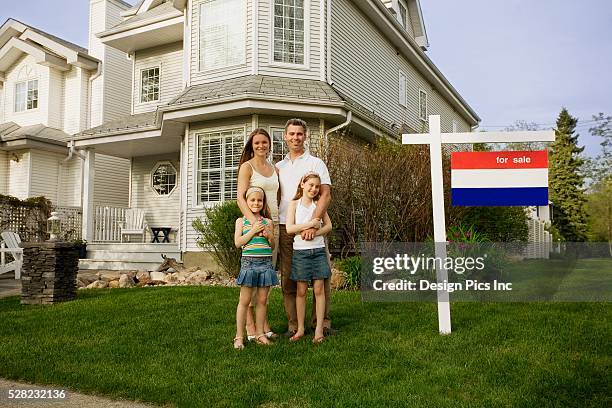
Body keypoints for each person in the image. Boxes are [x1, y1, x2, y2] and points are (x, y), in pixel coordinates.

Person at [276, 118, 335, 337]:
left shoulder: (316, 163)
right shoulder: (279, 167)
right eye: (291, 134)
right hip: (287, 227)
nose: (295, 138)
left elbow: (326, 194)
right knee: (290, 279)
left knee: (321, 280)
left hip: (315, 227)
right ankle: (294, 325)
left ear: (305, 136)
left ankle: (322, 324)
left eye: (299, 134)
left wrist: (315, 222)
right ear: (285, 136)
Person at [236, 128, 279, 341]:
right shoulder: (247, 167)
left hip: (273, 225)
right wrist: (255, 224)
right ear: (251, 146)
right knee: (251, 281)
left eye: (264, 142)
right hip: (255, 226)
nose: (261, 146)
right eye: (257, 143)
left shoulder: (274, 169)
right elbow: (241, 198)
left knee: (266, 278)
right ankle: (250, 326)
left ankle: (263, 325)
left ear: (269, 144)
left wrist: (269, 227)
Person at [286, 173, 332, 343]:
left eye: (317, 186)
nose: (314, 189)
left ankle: (319, 329)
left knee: (319, 290)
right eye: (311, 185)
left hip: (318, 251)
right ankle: (300, 329)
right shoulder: (294, 204)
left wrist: (314, 232)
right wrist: (309, 225)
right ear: (302, 184)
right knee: (301, 291)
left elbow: (329, 226)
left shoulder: (318, 205)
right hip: (301, 253)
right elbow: (290, 228)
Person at [233, 186, 277, 349]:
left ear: (263, 202)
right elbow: (238, 243)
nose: (256, 203)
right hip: (249, 263)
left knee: (262, 301)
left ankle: (260, 334)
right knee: (244, 301)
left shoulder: (268, 222)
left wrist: (268, 235)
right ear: (246, 201)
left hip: (265, 263)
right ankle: (239, 336)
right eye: (252, 200)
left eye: (259, 200)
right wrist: (253, 231)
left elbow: (272, 246)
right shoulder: (241, 221)